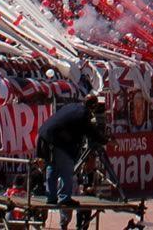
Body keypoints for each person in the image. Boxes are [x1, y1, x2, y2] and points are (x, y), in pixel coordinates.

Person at [36, 95, 106, 230]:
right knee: (66, 168)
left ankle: (51, 196)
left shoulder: (72, 106)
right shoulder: (83, 114)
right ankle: (64, 197)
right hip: (57, 139)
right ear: (93, 106)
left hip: (45, 135)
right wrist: (104, 140)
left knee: (52, 166)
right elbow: (91, 132)